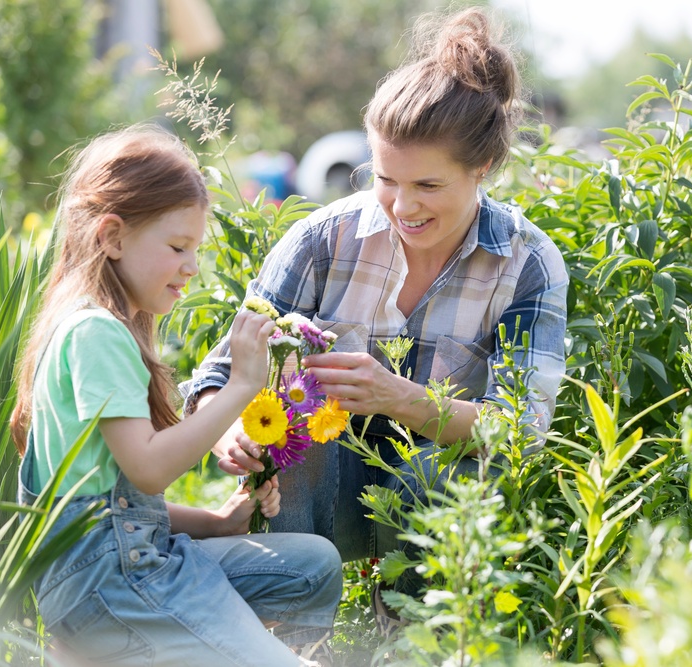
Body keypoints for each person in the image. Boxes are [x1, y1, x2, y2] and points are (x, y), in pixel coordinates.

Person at [185, 5, 567, 624]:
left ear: (484, 168)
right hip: (317, 493)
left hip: (432, 499)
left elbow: (519, 430)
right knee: (289, 435)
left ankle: (416, 647)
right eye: (387, 179)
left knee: (433, 475)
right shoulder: (323, 239)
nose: (402, 206)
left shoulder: (526, 263)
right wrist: (228, 427)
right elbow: (221, 374)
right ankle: (285, 641)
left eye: (429, 187)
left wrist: (398, 397)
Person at [9, 125, 342, 667]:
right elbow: (146, 470)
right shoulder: (96, 332)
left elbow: (113, 505)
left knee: (312, 566)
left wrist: (214, 523)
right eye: (177, 246)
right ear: (113, 237)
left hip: (124, 568)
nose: (191, 266)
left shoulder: (86, 325)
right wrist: (241, 387)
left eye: (196, 249)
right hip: (116, 586)